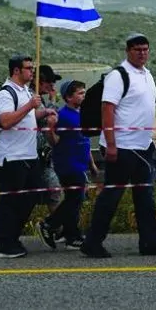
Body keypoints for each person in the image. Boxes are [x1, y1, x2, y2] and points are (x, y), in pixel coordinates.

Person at [80, 32, 156, 258]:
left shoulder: (147, 75)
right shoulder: (118, 75)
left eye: (145, 49)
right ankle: (93, 241)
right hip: (122, 147)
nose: (142, 53)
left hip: (143, 147)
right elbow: (107, 108)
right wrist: (111, 144)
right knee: (112, 195)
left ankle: (150, 241)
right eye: (137, 50)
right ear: (128, 51)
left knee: (145, 196)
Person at [0, 55, 53, 258]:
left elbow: (27, 117)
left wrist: (45, 113)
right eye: (28, 68)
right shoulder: (5, 94)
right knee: (9, 202)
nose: (32, 72)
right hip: (11, 156)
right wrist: (29, 106)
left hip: (28, 154)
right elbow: (6, 121)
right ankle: (5, 243)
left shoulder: (25, 91)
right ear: (16, 71)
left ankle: (13, 236)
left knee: (32, 196)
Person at [44, 79, 93, 247]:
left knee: (76, 199)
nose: (83, 96)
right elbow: (55, 141)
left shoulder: (82, 114)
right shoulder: (63, 116)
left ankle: (71, 234)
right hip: (68, 163)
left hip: (80, 163)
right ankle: (50, 224)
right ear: (68, 97)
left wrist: (91, 164)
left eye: (84, 92)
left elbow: (85, 140)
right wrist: (50, 129)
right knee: (74, 198)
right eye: (80, 93)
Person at [33, 64, 66, 249]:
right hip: (35, 155)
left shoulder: (42, 101)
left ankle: (58, 227)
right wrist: (53, 101)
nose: (51, 85)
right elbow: (47, 119)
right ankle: (52, 225)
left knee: (54, 192)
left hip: (44, 156)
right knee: (52, 192)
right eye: (49, 81)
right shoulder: (34, 100)